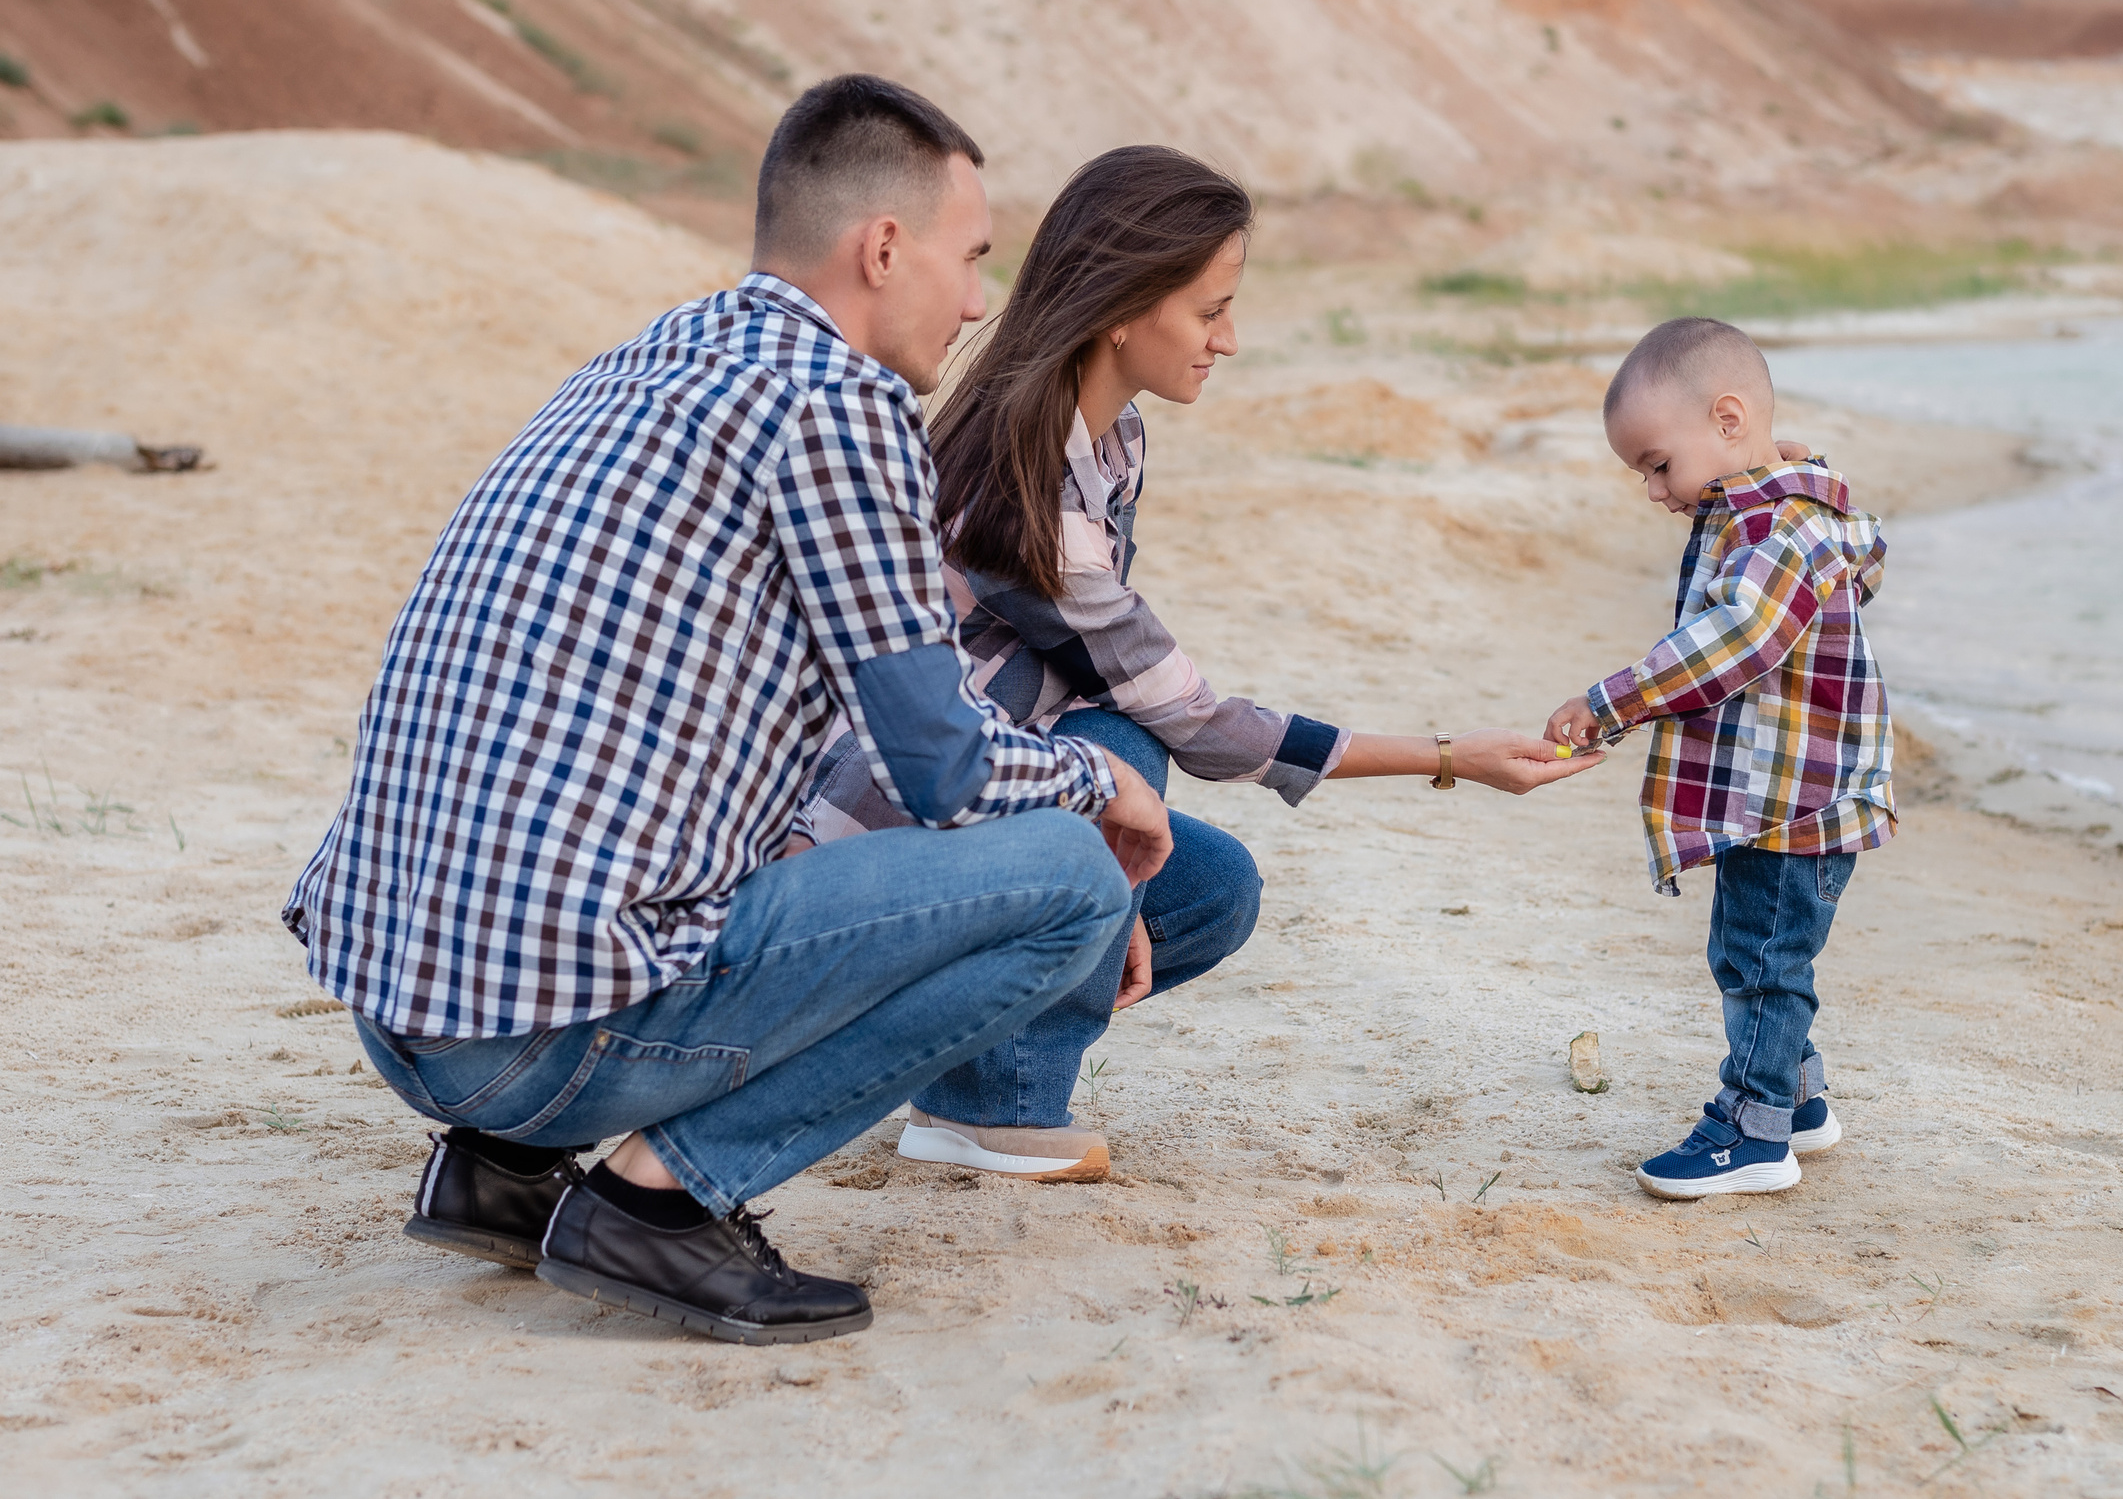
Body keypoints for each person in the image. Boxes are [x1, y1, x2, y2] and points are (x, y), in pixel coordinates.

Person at [282, 75, 1180, 1346]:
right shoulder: (837, 401)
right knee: (1072, 876)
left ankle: (500, 1173)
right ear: (883, 247)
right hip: (546, 1045)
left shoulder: (647, 359)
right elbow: (942, 767)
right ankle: (660, 1207)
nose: (981, 300)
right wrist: (1108, 786)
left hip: (407, 1019)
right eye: (971, 257)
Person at [795, 144, 1603, 1182]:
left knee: (1212, 885)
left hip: (980, 815)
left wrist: (1112, 891)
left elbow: (1104, 674)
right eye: (1210, 310)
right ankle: (997, 1105)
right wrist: (1450, 756)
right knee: (1125, 739)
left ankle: (959, 1083)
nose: (1230, 338)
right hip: (881, 849)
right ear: (1123, 308)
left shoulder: (1112, 436)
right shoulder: (1022, 488)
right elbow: (1195, 720)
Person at [1545, 317, 1894, 1200]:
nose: (1656, 491)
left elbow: (1734, 641)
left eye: (1658, 464)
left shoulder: (1780, 528)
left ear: (1729, 419)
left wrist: (1608, 701)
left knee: (1764, 962)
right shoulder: (1784, 507)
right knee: (1758, 955)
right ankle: (1801, 1101)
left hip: (1796, 803)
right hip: (1780, 790)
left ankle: (1752, 1128)